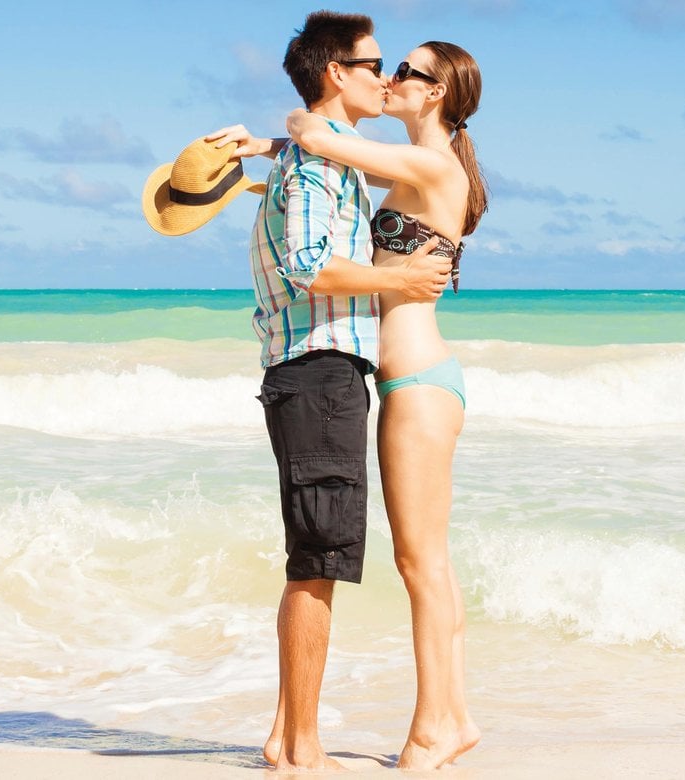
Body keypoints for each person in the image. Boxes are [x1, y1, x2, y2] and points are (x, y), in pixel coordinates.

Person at [205, 12, 453, 772]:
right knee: (319, 557)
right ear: (335, 73)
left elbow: (326, 150)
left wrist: (273, 140)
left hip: (315, 371)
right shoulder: (316, 170)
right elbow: (311, 264)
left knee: (315, 553)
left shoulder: (325, 161)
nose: (385, 77)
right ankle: (303, 747)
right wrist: (398, 278)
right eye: (373, 63)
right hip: (320, 368)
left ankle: (286, 736)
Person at [282, 40, 488, 771]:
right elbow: (329, 158)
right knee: (425, 562)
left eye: (407, 72)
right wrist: (267, 155)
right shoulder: (416, 164)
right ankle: (452, 717)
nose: (392, 80)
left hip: (420, 381)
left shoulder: (434, 165)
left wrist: (292, 126)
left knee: (420, 562)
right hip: (414, 381)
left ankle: (438, 724)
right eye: (390, 69)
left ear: (435, 94)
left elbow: (319, 135)